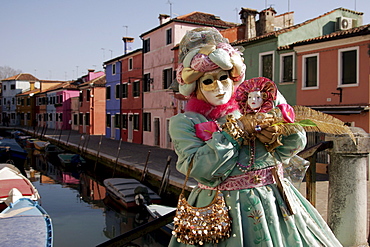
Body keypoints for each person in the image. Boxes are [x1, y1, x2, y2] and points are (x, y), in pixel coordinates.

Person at [169, 27, 342, 246]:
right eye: (208, 81)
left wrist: (277, 133)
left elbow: (296, 141)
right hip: (219, 210)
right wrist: (236, 131)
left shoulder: (257, 102)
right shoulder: (185, 123)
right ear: (195, 85)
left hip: (275, 202)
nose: (219, 87)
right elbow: (200, 169)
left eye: (223, 77)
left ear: (234, 77)